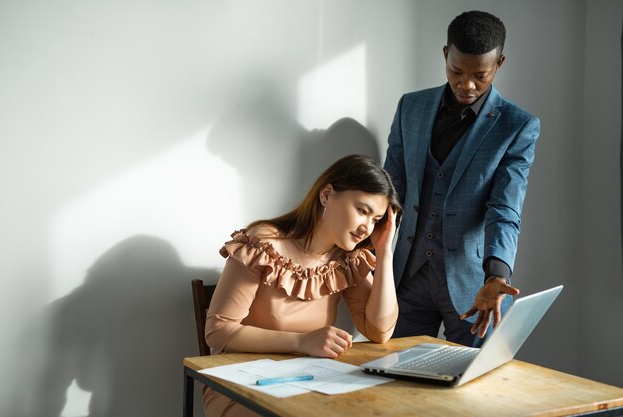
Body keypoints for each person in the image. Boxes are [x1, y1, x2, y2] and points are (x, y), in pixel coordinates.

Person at [384, 10, 540, 347]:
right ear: (445, 55)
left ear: (499, 63)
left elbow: (505, 209)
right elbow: (388, 190)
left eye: (480, 75)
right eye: (456, 71)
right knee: (395, 382)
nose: (466, 84)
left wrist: (498, 275)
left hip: (475, 289)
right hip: (407, 278)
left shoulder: (518, 126)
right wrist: (369, 256)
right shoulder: (410, 107)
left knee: (473, 392)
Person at [203, 154, 402, 417]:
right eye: (362, 210)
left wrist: (385, 250)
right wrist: (301, 341)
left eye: (375, 219)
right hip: (242, 384)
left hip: (310, 384)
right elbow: (217, 331)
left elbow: (379, 331)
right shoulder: (263, 245)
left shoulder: (346, 260)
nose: (367, 227)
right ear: (327, 194)